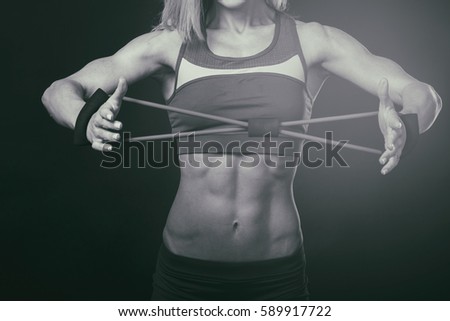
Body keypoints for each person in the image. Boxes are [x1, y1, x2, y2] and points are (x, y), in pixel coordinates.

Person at [41, 0, 441, 300]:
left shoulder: (311, 40)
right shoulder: (170, 45)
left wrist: (406, 122)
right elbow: (59, 91)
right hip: (185, 274)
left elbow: (423, 95)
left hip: (277, 276)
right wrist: (85, 118)